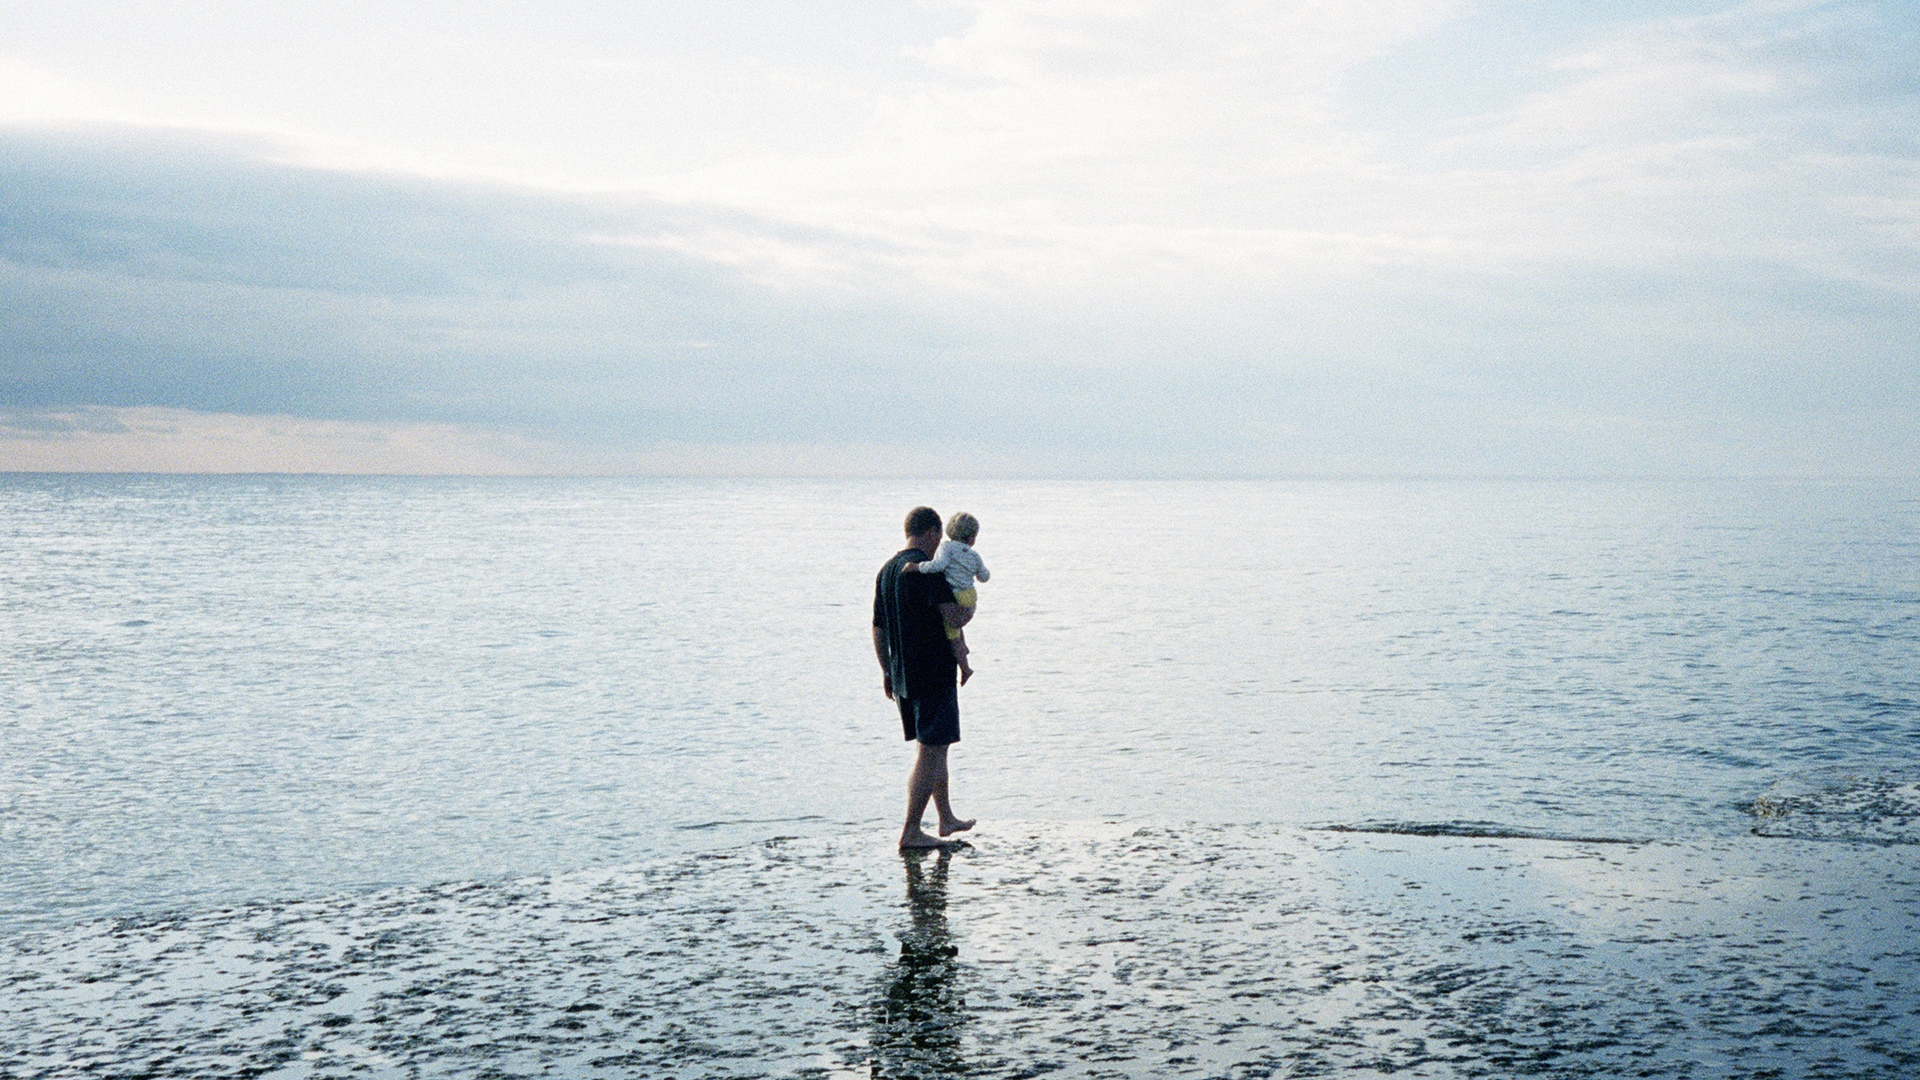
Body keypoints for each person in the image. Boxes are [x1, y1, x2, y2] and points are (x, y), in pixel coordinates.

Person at [874, 506, 977, 850]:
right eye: (939, 537)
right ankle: (911, 830)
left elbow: (878, 627)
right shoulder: (927, 571)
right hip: (932, 672)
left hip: (903, 675)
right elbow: (954, 617)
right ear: (932, 531)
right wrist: (971, 607)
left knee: (934, 747)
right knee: (931, 753)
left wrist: (886, 670)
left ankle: (945, 818)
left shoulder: (887, 571)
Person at [903, 511, 988, 684]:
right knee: (958, 628)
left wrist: (917, 567)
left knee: (952, 635)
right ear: (972, 538)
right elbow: (984, 576)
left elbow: (938, 565)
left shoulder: (946, 547)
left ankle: (966, 668)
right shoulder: (974, 555)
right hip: (970, 595)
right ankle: (963, 648)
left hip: (956, 594)